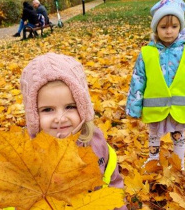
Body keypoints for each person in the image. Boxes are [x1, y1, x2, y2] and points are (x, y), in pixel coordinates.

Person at [20, 53, 127, 209]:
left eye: (70, 107)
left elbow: (113, 184)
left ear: (83, 106)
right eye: (48, 109)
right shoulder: (27, 155)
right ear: (33, 114)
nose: (60, 118)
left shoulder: (95, 142)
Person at [126, 0, 185, 170]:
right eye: (163, 27)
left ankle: (178, 164)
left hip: (180, 108)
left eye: (174, 26)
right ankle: (153, 159)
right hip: (155, 107)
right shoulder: (147, 53)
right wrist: (134, 108)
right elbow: (138, 80)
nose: (169, 31)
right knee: (154, 134)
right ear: (156, 28)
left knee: (179, 135)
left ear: (180, 26)